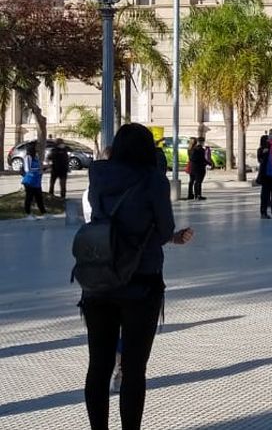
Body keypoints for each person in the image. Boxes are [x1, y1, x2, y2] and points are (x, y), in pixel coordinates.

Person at [81, 123, 194, 430]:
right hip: (140, 282)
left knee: (98, 366)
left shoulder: (98, 175)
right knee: (133, 369)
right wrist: (169, 237)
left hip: (98, 279)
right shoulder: (152, 180)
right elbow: (162, 229)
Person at [21, 142, 46, 219]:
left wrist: (43, 168)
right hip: (29, 181)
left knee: (39, 197)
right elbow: (27, 169)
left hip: (36, 181)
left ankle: (43, 213)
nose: (36, 149)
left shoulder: (36, 157)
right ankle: (28, 214)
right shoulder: (28, 157)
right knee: (29, 198)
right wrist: (39, 169)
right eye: (35, 148)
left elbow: (38, 167)